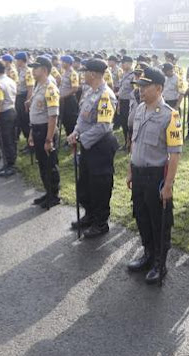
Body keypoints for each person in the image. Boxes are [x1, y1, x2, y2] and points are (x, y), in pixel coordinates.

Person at [126, 67, 183, 284]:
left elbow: (175, 154)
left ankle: (160, 263)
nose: (140, 90)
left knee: (159, 221)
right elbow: (134, 141)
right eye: (139, 86)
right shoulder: (140, 109)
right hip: (139, 174)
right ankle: (148, 254)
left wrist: (168, 185)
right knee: (141, 216)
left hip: (156, 176)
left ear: (158, 88)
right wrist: (131, 170)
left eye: (145, 86)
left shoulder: (170, 115)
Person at [67, 59, 119, 238]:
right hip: (88, 145)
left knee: (100, 186)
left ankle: (100, 223)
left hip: (101, 146)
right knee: (85, 184)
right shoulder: (90, 92)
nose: (82, 74)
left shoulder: (105, 95)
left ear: (94, 74)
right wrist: (75, 132)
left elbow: (103, 126)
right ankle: (89, 215)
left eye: (85, 71)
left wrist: (81, 138)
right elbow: (82, 118)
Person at [28, 56, 61, 209]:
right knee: (42, 164)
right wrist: (31, 133)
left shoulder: (50, 87)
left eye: (36, 67)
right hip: (37, 129)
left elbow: (53, 115)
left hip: (46, 131)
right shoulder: (39, 85)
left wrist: (49, 139)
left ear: (45, 70)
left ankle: (54, 195)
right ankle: (48, 192)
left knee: (49, 164)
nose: (33, 70)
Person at [0, 61, 18, 177]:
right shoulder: (10, 80)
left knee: (5, 140)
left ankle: (10, 165)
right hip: (12, 110)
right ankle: (9, 163)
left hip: (4, 113)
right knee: (11, 139)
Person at [15, 51, 35, 152]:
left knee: (26, 122)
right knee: (22, 122)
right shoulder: (21, 70)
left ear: (21, 60)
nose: (16, 62)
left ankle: (32, 146)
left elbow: (30, 88)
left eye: (17, 60)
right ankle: (28, 143)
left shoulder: (28, 71)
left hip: (24, 98)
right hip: (19, 97)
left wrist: (28, 102)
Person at [57, 55, 80, 139]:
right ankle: (68, 137)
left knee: (71, 121)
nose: (61, 63)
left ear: (67, 63)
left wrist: (63, 96)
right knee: (65, 120)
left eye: (63, 62)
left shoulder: (73, 74)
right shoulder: (64, 73)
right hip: (63, 100)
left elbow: (75, 89)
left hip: (70, 100)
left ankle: (73, 138)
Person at [117, 56, 135, 150]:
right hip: (123, 101)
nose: (122, 65)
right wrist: (119, 104)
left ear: (129, 63)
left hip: (130, 103)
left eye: (123, 63)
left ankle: (131, 144)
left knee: (130, 124)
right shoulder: (123, 74)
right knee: (124, 123)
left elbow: (135, 92)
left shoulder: (134, 75)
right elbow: (121, 90)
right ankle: (126, 143)